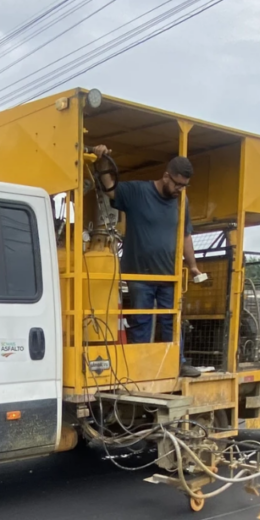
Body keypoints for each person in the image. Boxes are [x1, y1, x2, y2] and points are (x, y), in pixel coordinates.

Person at [91, 146, 203, 378]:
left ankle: (178, 363)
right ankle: (139, 367)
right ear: (166, 176)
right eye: (177, 184)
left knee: (172, 321)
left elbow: (185, 235)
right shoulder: (138, 192)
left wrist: (192, 266)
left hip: (169, 274)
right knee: (141, 321)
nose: (180, 190)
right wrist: (102, 161)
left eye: (184, 186)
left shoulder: (181, 201)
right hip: (139, 273)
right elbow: (110, 189)